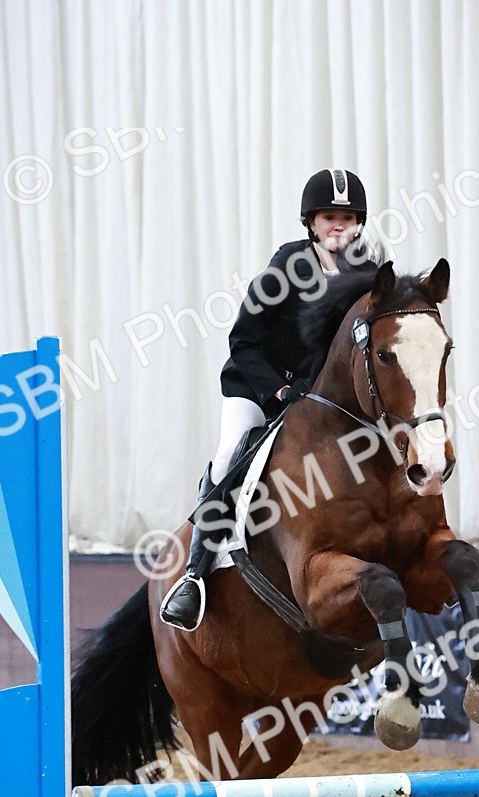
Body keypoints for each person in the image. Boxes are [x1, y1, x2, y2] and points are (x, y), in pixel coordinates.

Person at [160, 167, 376, 631]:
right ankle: (194, 577)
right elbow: (244, 340)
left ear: (359, 222)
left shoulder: (367, 274)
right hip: (259, 386)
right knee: (227, 459)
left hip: (320, 400)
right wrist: (279, 389)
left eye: (347, 217)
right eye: (328, 217)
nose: (338, 225)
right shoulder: (286, 268)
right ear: (311, 223)